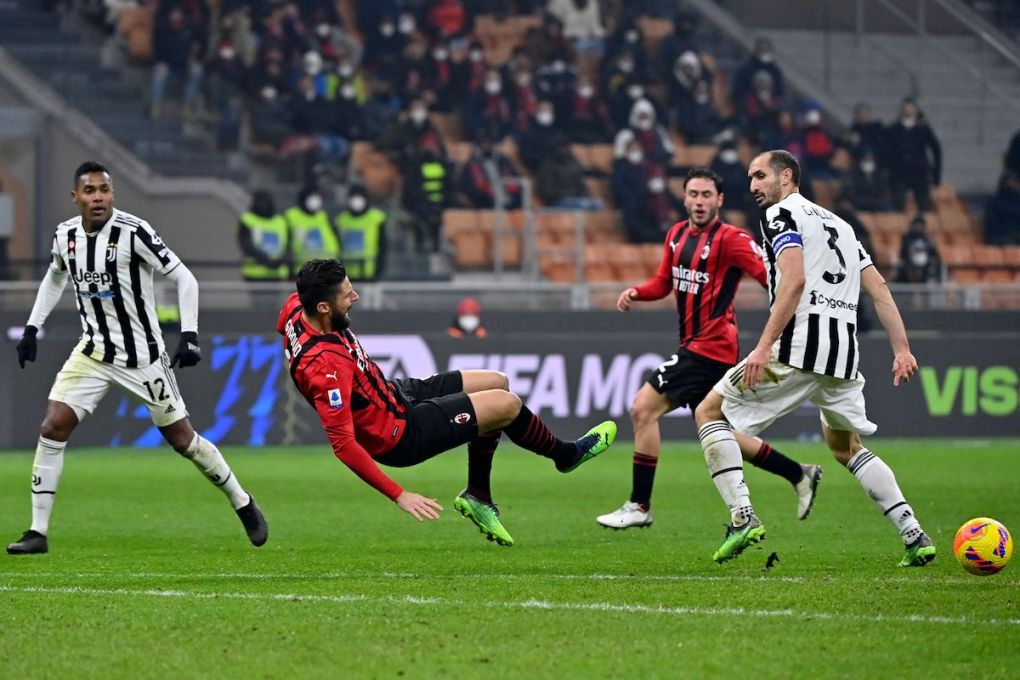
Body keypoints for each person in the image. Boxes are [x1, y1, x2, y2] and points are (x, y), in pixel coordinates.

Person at [7, 161, 267, 555]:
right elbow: (55, 276)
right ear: (75, 197)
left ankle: (242, 501)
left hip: (142, 357)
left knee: (184, 441)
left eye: (105, 190)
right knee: (53, 426)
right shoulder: (66, 237)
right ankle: (37, 532)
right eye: (90, 191)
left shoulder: (133, 232)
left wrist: (190, 334)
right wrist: (31, 328)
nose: (99, 197)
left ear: (113, 194)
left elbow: (184, 277)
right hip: (92, 352)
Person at [694, 150, 935, 567]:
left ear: (786, 177)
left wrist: (764, 344)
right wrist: (902, 348)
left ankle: (742, 517)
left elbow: (795, 279)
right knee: (845, 448)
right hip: (842, 355)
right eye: (750, 178)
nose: (752, 186)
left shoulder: (782, 215)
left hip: (798, 346)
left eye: (760, 176)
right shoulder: (841, 226)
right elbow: (878, 289)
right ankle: (914, 534)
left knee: (709, 411)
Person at [276, 259, 617, 546]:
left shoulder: (296, 308)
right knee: (507, 405)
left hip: (395, 394)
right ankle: (565, 455)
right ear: (323, 307)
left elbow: (285, 326)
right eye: (346, 294)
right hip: (400, 434)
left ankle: (478, 495)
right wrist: (399, 494)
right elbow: (343, 444)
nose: (355, 296)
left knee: (498, 381)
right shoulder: (325, 369)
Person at [596, 168, 822, 530]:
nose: (699, 202)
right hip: (697, 347)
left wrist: (793, 314)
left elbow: (772, 277)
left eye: (706, 195)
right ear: (684, 198)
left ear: (720, 200)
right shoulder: (675, 235)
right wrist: (638, 291)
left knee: (643, 410)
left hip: (709, 348)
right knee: (722, 433)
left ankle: (639, 505)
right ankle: (799, 473)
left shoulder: (731, 239)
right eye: (693, 194)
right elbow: (663, 283)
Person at [885, 98, 941, 211]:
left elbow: (936, 149)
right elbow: (885, 151)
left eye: (910, 108)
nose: (908, 111)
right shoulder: (893, 130)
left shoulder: (923, 129)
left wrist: (936, 174)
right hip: (899, 173)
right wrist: (889, 168)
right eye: (905, 108)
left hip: (919, 172)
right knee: (898, 203)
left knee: (923, 204)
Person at [335, 185, 387, 281]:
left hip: (370, 273)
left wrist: (379, 270)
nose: (356, 201)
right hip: (346, 275)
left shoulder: (376, 218)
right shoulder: (341, 220)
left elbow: (383, 246)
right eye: (353, 197)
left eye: (360, 197)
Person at [238, 189, 291, 281]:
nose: (263, 205)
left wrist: (280, 261)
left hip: (277, 273)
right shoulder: (248, 219)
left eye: (266, 201)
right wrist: (265, 260)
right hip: (255, 274)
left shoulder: (281, 221)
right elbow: (246, 245)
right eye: (260, 202)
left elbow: (287, 246)